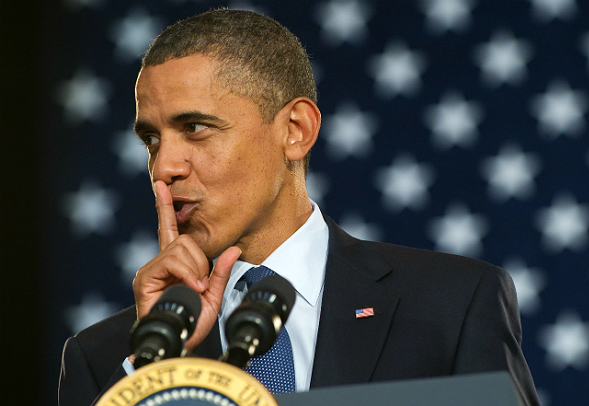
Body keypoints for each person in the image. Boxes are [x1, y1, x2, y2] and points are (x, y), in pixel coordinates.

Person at [58, 8, 540, 406]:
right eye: (151, 139)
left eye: (196, 128)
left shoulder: (452, 306)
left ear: (296, 131)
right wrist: (156, 368)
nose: (163, 166)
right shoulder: (107, 359)